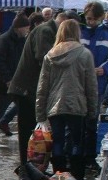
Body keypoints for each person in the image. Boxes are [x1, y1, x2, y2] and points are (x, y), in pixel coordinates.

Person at [8, 10, 78, 168]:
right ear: (63, 21)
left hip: (33, 89)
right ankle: (28, 168)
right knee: (30, 131)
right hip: (26, 89)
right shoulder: (45, 31)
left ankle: (34, 166)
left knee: (37, 131)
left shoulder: (49, 30)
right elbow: (46, 59)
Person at [36, 19, 98, 180]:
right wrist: (93, 111)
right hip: (77, 105)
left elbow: (42, 87)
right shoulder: (85, 54)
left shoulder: (50, 55)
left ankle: (59, 176)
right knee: (77, 142)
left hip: (54, 106)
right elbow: (91, 86)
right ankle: (77, 177)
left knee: (57, 142)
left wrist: (40, 114)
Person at [80, 2, 108, 171]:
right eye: (88, 19)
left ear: (101, 18)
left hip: (98, 83)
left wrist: (104, 69)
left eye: (93, 19)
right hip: (78, 82)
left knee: (91, 120)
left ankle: (89, 158)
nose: (90, 22)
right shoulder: (80, 31)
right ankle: (75, 156)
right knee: (76, 121)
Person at [0, 13, 30, 147]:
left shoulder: (22, 40)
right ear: (19, 27)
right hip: (4, 83)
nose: (27, 31)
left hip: (17, 82)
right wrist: (7, 80)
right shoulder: (4, 39)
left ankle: (26, 136)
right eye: (26, 28)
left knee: (25, 108)